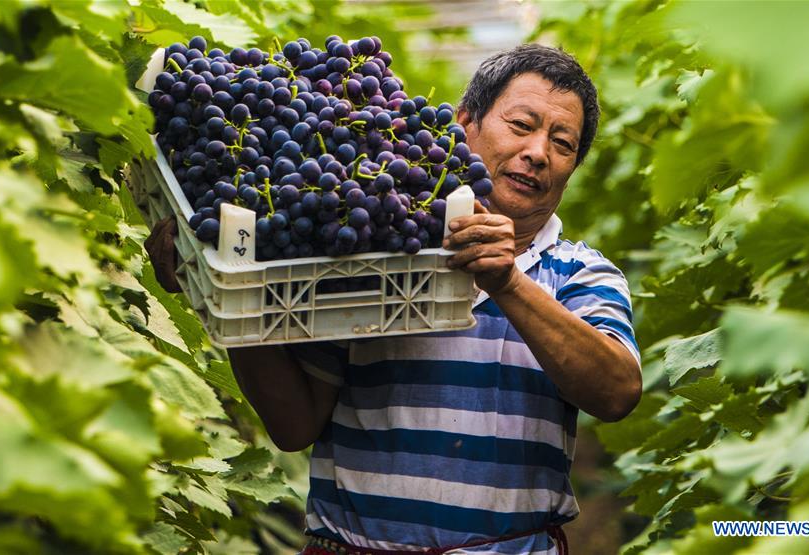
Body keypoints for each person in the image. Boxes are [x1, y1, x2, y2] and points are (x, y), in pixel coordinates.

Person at [147, 44, 641, 555]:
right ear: (465, 122)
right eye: (521, 125)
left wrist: (509, 283)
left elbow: (616, 393)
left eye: (562, 143)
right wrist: (232, 295)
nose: (538, 152)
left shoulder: (581, 274)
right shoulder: (374, 248)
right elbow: (294, 426)